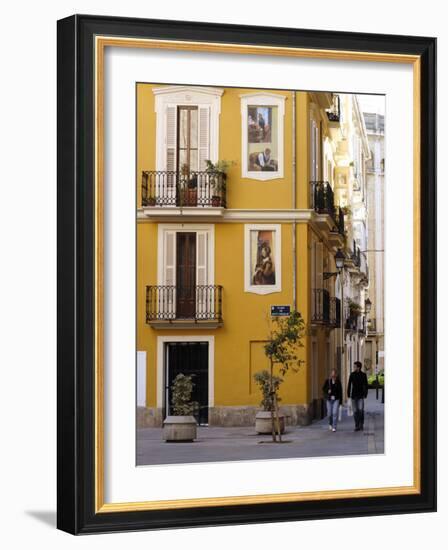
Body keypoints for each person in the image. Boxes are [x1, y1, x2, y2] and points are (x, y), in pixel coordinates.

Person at [347, 361, 368, 431]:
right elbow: (349, 384)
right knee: (355, 411)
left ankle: (361, 423)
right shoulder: (352, 375)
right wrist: (348, 394)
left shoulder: (363, 375)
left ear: (358, 367)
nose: (354, 368)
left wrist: (365, 394)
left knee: (361, 410)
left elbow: (366, 385)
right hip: (353, 395)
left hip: (361, 395)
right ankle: (357, 425)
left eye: (355, 366)